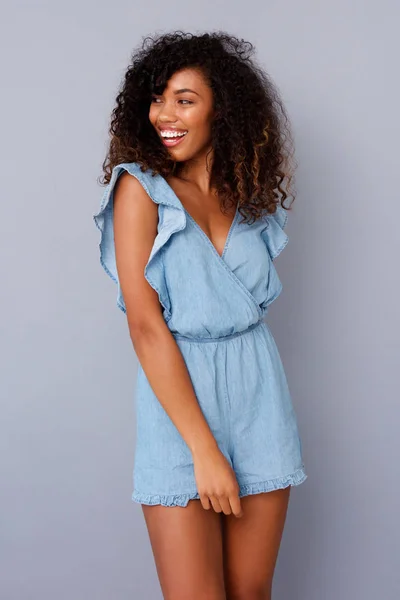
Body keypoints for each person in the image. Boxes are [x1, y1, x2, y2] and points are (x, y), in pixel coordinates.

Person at [93, 30, 307, 600]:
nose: (166, 112)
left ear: (223, 111)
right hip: (180, 402)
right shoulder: (139, 189)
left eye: (185, 99)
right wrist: (204, 451)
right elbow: (145, 325)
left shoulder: (249, 194)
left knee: (251, 589)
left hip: (259, 393)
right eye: (159, 97)